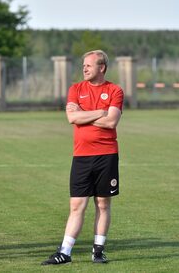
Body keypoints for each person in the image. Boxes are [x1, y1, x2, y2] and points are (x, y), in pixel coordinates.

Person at [41, 50, 124, 265]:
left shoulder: (115, 90)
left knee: (103, 204)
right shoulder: (76, 89)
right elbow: (71, 117)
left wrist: (84, 115)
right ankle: (65, 252)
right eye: (83, 65)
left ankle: (98, 251)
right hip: (81, 156)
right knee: (77, 205)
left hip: (107, 155)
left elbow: (111, 122)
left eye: (89, 65)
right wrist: (100, 112)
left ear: (102, 68)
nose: (84, 68)